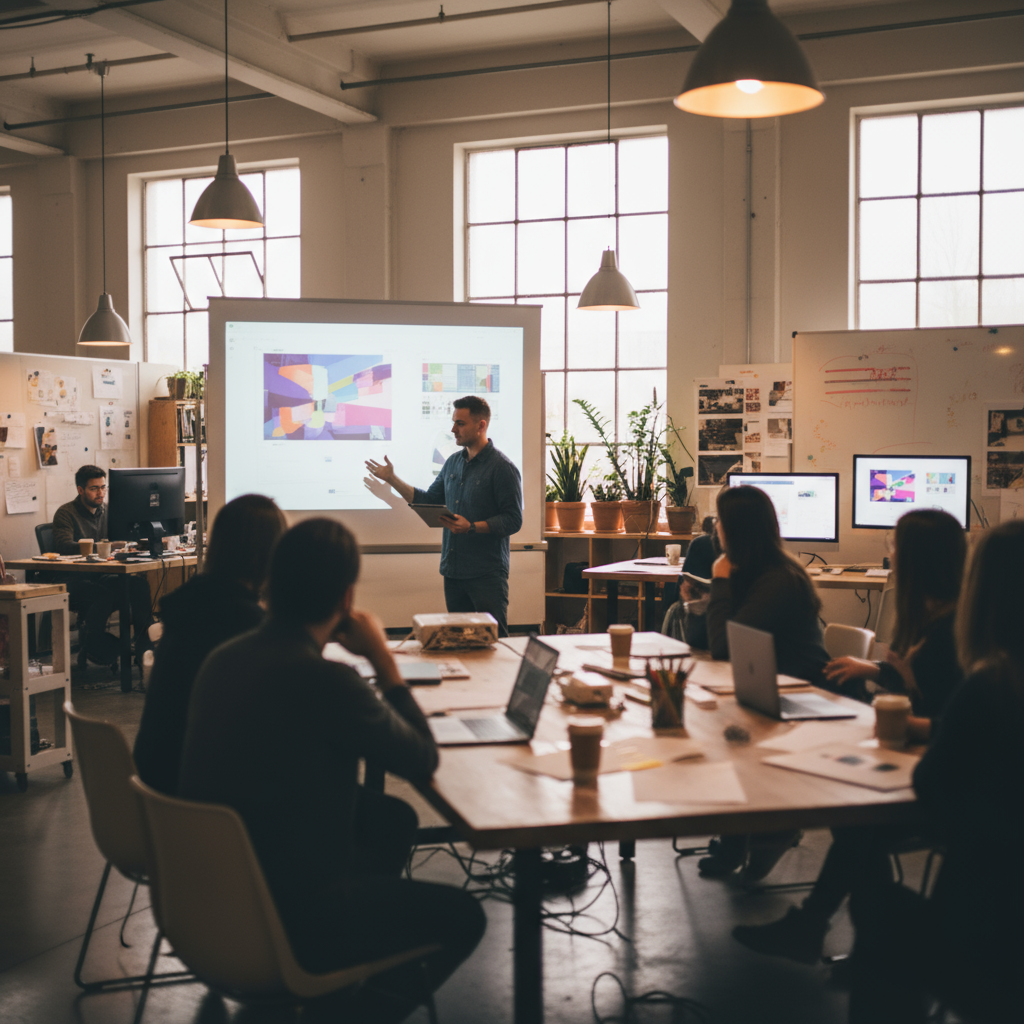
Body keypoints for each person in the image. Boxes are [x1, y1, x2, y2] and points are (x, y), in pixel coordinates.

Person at [178, 518, 485, 1021]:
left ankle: (339, 985)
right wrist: (384, 661)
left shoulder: (224, 659)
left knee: (388, 818)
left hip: (205, 905)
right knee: (463, 916)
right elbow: (422, 759)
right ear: (346, 598)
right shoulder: (327, 681)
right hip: (289, 917)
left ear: (270, 583)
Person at [732, 508, 966, 964]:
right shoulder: (937, 622)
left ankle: (822, 930)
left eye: (895, 547)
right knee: (853, 822)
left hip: (947, 785)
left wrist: (914, 722)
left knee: (857, 823)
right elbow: (921, 681)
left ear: (917, 560)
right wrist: (884, 673)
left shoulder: (950, 635)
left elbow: (964, 722)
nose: (890, 555)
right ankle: (862, 946)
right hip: (922, 763)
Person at [847, 520, 1024, 1024]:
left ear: (982, 592)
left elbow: (931, 788)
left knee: (876, 906)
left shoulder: (992, 686)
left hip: (988, 943)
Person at [699, 485, 830, 878]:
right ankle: (739, 838)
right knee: (717, 727)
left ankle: (763, 834)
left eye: (719, 520)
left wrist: (719, 584)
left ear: (735, 529)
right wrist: (703, 598)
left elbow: (723, 648)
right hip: (769, 688)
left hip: (807, 694)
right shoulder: (752, 572)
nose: (715, 527)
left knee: (726, 735)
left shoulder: (779, 580)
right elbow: (714, 641)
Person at [133, 494, 288, 795]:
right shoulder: (243, 621)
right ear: (269, 554)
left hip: (158, 789)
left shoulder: (193, 603)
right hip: (206, 804)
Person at [365, 395, 522, 636]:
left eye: (460, 423)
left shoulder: (502, 468)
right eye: (453, 422)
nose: (453, 429)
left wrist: (472, 527)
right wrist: (392, 480)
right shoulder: (452, 463)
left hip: (486, 574)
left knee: (493, 642)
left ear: (481, 425)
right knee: (460, 641)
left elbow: (513, 519)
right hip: (453, 571)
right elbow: (429, 500)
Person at [51, 465, 153, 667]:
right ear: (80, 490)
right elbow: (64, 546)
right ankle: (94, 644)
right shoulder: (65, 513)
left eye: (103, 487)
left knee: (139, 586)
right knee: (103, 594)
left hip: (101, 576)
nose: (101, 493)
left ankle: (145, 651)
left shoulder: (109, 511)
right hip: (73, 579)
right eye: (94, 488)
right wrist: (103, 547)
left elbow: (124, 538)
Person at [661, 517, 719, 649]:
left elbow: (679, 596)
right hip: (742, 635)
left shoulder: (703, 544)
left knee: (671, 590)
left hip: (698, 632)